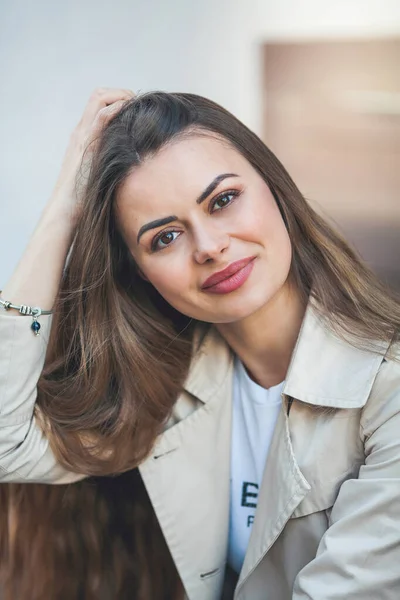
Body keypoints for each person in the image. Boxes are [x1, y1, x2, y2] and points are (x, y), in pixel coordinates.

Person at [0, 87, 399, 600]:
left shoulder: (386, 393)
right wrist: (65, 211)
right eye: (164, 237)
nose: (209, 247)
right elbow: (6, 446)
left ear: (274, 186)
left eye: (224, 200)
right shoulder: (169, 383)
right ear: (140, 272)